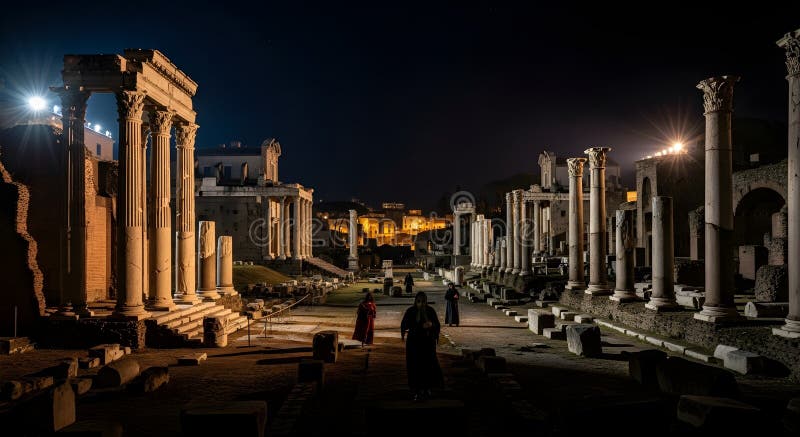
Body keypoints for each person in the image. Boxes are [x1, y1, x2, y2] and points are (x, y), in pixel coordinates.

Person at [400, 292, 443, 401]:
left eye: (423, 302)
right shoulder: (411, 311)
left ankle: (427, 388)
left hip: (428, 344)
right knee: (415, 367)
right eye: (419, 301)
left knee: (428, 366)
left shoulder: (430, 311)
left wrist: (432, 325)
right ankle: (416, 390)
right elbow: (405, 324)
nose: (421, 304)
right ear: (416, 301)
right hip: (414, 344)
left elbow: (437, 325)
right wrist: (420, 326)